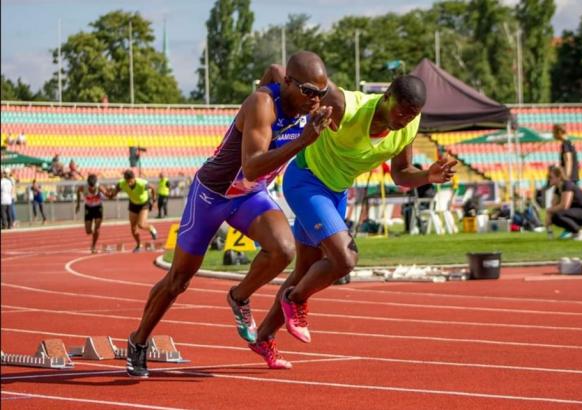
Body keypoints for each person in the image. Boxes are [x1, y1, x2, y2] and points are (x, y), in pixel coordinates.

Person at [124, 51, 333, 378]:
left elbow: (272, 67)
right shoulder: (262, 105)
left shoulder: (310, 102)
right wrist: (303, 141)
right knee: (178, 280)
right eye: (308, 91)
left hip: (249, 196)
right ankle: (138, 341)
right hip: (212, 195)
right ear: (289, 84)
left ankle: (239, 296)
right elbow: (250, 166)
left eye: (321, 93)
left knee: (284, 250)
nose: (316, 100)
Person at [249, 71, 457, 369]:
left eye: (413, 114)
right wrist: (269, 85)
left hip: (336, 192)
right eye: (402, 110)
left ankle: (264, 337)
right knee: (345, 259)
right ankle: (295, 299)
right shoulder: (348, 105)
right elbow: (307, 77)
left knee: (307, 269)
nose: (406, 119)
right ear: (386, 97)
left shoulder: (409, 127)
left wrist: (428, 176)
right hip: (306, 181)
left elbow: (400, 173)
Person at [108, 169, 158, 253]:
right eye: (127, 181)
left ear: (134, 178)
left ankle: (151, 228)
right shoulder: (122, 183)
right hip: (133, 204)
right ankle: (138, 245)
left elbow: (153, 188)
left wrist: (154, 201)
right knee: (133, 228)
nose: (128, 183)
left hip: (144, 204)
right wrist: (111, 195)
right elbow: (115, 192)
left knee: (141, 225)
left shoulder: (142, 183)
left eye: (130, 180)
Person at [545, 166, 582, 241]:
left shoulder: (567, 185)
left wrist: (549, 210)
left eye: (550, 177)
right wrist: (549, 216)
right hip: (575, 212)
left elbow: (564, 206)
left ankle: (581, 233)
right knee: (555, 217)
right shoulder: (557, 188)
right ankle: (575, 233)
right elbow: (553, 206)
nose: (548, 179)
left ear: (559, 177)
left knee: (559, 214)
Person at [75, 174, 109, 253]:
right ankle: (94, 234)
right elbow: (77, 191)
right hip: (88, 208)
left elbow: (106, 194)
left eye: (93, 186)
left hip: (98, 207)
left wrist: (109, 193)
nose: (92, 188)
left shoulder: (99, 187)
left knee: (97, 228)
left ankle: (93, 246)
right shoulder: (83, 187)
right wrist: (78, 204)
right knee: (88, 231)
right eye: (90, 187)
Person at [402, 163, 436, 233]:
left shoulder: (424, 182)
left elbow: (420, 194)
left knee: (409, 208)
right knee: (407, 207)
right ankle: (411, 228)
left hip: (426, 205)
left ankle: (411, 229)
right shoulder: (422, 180)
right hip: (423, 203)